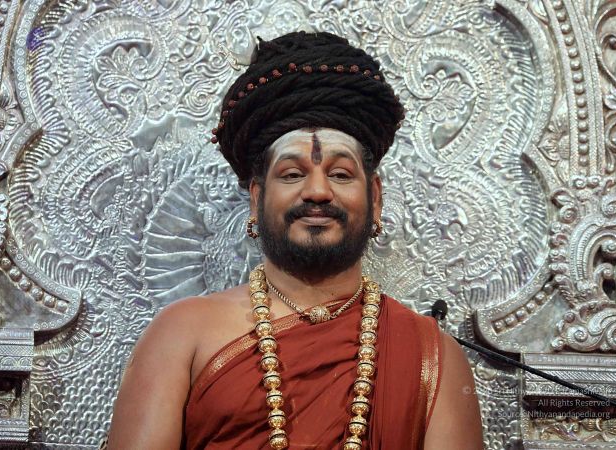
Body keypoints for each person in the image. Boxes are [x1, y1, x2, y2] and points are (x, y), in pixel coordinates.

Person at [108, 31, 483, 449]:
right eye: (291, 174)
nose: (318, 191)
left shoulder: (431, 356)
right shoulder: (183, 334)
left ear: (375, 199)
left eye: (340, 174)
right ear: (257, 199)